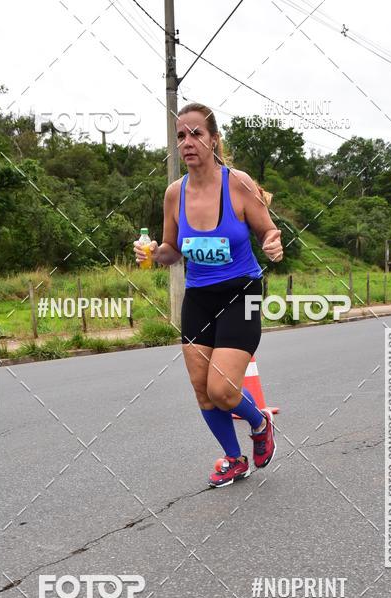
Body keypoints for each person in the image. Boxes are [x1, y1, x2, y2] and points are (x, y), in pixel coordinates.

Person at [134, 101, 283, 487]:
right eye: (181, 135)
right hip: (199, 295)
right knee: (203, 390)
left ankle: (259, 423)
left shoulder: (239, 183)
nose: (187, 141)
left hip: (242, 292)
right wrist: (153, 254)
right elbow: (171, 249)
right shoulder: (174, 194)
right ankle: (234, 460)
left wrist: (271, 243)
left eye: (196, 133)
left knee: (223, 389)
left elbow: (267, 229)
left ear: (213, 140)